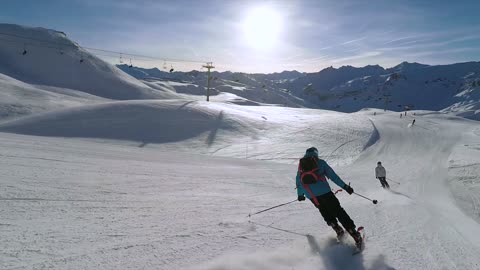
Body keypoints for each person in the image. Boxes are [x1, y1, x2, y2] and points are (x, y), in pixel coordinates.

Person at [296, 147, 362, 247]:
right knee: (338, 211)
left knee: (324, 211)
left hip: (312, 196)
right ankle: (354, 233)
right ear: (316, 153)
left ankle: (337, 229)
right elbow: (333, 176)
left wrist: (300, 195)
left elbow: (299, 181)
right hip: (326, 193)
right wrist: (345, 186)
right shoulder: (320, 162)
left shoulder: (301, 165)